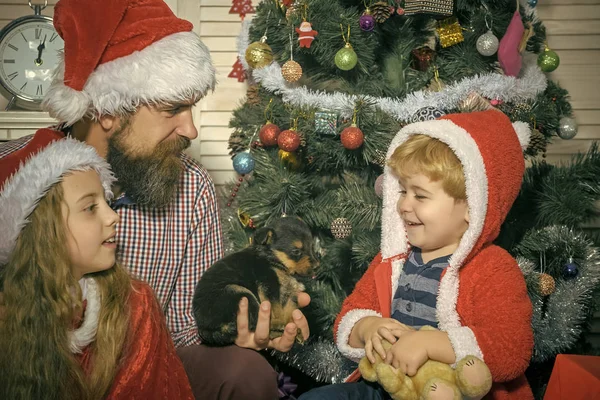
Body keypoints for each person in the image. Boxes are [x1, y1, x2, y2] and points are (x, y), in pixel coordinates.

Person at [0, 0, 309, 398]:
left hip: (153, 363)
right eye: (174, 109)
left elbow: (188, 325)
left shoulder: (192, 186)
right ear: (110, 110)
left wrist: (244, 334)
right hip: (36, 366)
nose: (192, 129)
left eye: (192, 109)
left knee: (244, 371)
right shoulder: (16, 177)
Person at [300, 110, 534, 400]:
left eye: (420, 196)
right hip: (387, 387)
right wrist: (367, 327)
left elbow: (512, 348)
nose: (403, 205)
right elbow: (349, 316)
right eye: (402, 191)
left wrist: (431, 344)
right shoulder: (392, 261)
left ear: (471, 207)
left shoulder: (493, 268)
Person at [0, 131, 194, 399]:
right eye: (90, 207)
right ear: (42, 230)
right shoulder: (8, 316)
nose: (113, 216)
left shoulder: (135, 304)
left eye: (107, 201)